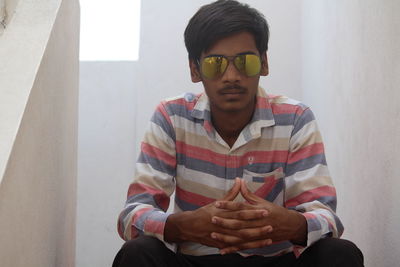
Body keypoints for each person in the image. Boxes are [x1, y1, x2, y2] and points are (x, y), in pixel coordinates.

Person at [112, 1, 364, 266]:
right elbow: (132, 215)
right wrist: (182, 226)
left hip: (275, 258)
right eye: (215, 64)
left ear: (264, 64)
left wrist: (289, 224)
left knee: (339, 253)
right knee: (138, 253)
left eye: (245, 61)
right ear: (194, 69)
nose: (232, 76)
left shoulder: (295, 118)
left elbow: (326, 218)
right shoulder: (171, 117)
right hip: (195, 260)